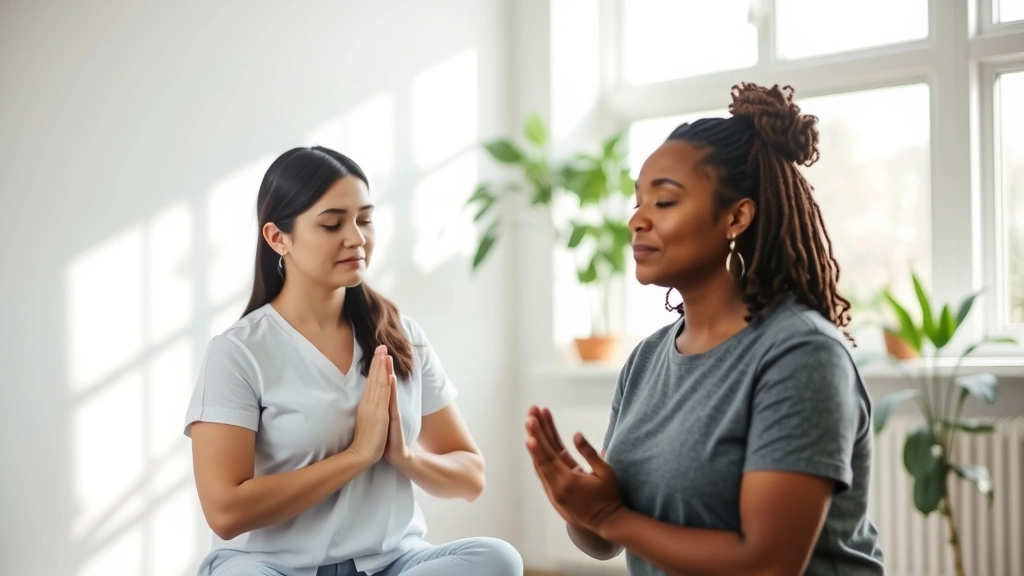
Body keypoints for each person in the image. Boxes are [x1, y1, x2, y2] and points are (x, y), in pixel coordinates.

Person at [525, 83, 886, 576]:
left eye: (665, 202)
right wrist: (579, 505)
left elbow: (769, 566)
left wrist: (610, 517)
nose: (637, 219)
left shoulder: (802, 354)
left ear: (736, 216)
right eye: (638, 201)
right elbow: (603, 542)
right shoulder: (647, 359)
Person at [184, 146, 522, 576]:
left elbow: (470, 475)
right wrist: (358, 454)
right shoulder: (239, 351)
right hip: (274, 568)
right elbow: (225, 511)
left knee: (498, 559)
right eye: (332, 223)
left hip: (390, 564)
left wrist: (404, 457)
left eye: (364, 219)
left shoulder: (401, 336)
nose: (357, 238)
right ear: (277, 237)